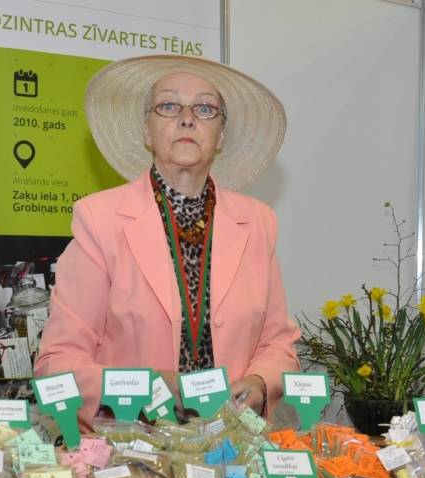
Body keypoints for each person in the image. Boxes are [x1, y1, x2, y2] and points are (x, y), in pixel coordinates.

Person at [34, 55, 300, 428]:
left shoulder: (258, 222)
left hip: (231, 443)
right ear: (147, 131)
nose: (187, 118)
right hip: (135, 445)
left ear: (221, 137)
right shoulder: (99, 220)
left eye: (205, 108)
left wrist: (259, 383)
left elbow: (278, 345)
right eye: (169, 106)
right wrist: (146, 386)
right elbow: (56, 365)